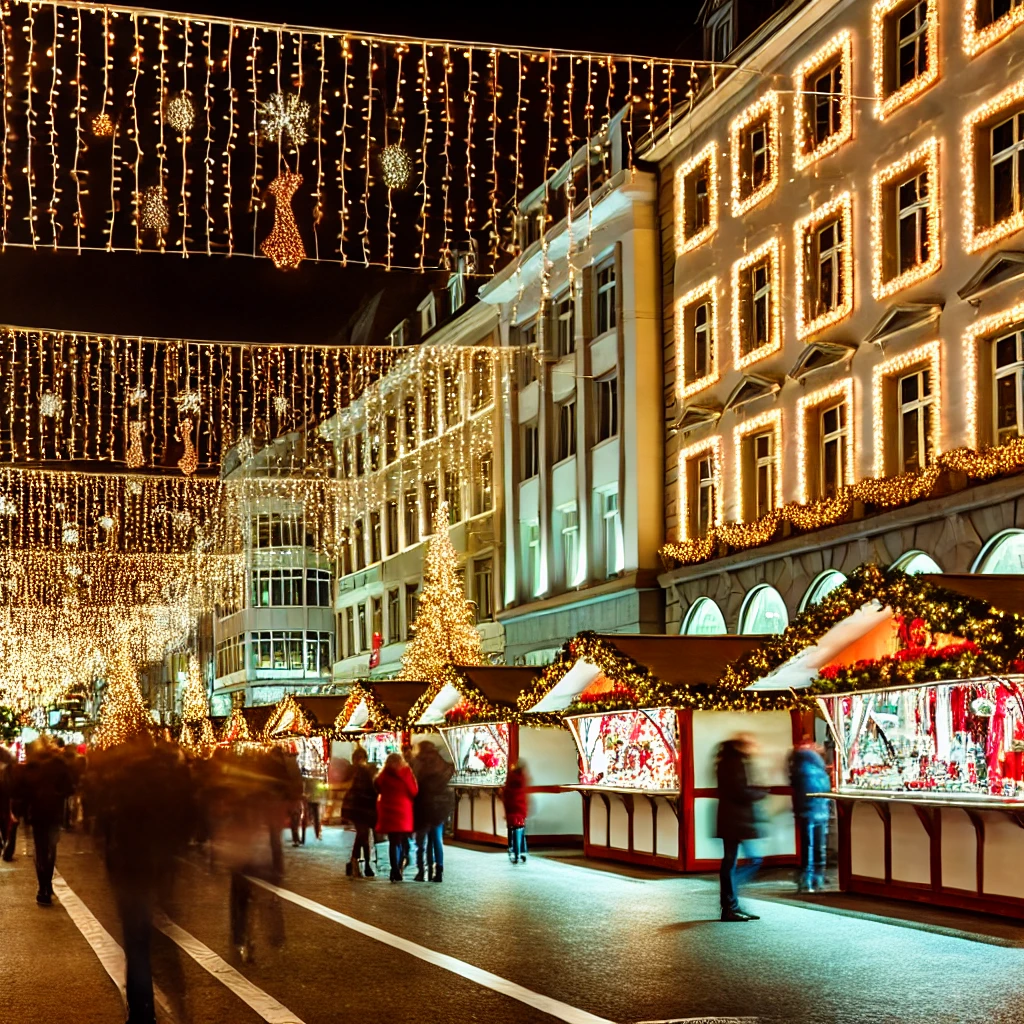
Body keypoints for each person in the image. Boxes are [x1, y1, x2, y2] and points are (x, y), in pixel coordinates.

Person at [90, 735, 195, 1024]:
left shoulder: (119, 779)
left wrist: (108, 856)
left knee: (136, 940)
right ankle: (177, 1000)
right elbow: (187, 815)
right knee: (156, 937)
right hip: (159, 866)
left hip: (128, 865)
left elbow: (105, 823)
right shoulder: (169, 778)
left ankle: (141, 1011)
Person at [10, 736, 76, 905]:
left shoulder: (30, 767)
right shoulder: (58, 764)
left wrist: (23, 809)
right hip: (54, 812)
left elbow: (19, 791)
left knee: (40, 849)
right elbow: (70, 787)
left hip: (37, 814)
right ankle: (47, 883)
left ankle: (43, 888)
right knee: (51, 848)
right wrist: (58, 796)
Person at [715, 733, 766, 923]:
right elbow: (739, 791)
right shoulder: (736, 763)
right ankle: (731, 901)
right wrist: (760, 793)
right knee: (752, 860)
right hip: (737, 820)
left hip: (730, 819)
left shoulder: (725, 761)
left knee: (730, 861)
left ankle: (731, 904)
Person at [789, 738, 832, 892]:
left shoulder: (798, 765)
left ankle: (808, 878)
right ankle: (816, 876)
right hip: (818, 808)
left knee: (809, 845)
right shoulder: (814, 765)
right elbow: (823, 787)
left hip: (807, 809)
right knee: (818, 846)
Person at [412, 741, 453, 882]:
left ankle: (422, 870)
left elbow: (414, 784)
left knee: (421, 841)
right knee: (436, 839)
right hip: (438, 807)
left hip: (423, 806)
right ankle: (438, 870)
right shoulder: (440, 762)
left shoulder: (418, 763)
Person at [375, 752, 418, 883]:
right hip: (403, 811)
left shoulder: (384, 774)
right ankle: (399, 866)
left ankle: (394, 870)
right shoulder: (406, 772)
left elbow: (378, 787)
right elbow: (414, 791)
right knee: (403, 841)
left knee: (393, 843)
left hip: (388, 811)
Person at [342, 747, 377, 878]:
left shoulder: (368, 770)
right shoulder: (353, 771)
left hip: (365, 808)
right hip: (357, 809)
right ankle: (364, 864)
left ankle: (355, 862)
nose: (359, 760)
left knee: (363, 836)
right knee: (363, 834)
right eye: (358, 758)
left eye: (361, 758)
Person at [501, 761, 529, 864]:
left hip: (511, 809)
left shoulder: (510, 779)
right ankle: (521, 852)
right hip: (520, 809)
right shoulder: (522, 779)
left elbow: (506, 795)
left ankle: (514, 852)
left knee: (513, 831)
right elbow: (524, 796)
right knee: (520, 831)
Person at [301, 772, 324, 844]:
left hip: (310, 800)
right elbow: (321, 791)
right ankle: (317, 834)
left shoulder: (307, 780)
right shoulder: (318, 780)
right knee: (316, 818)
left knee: (306, 818)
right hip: (315, 800)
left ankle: (304, 838)